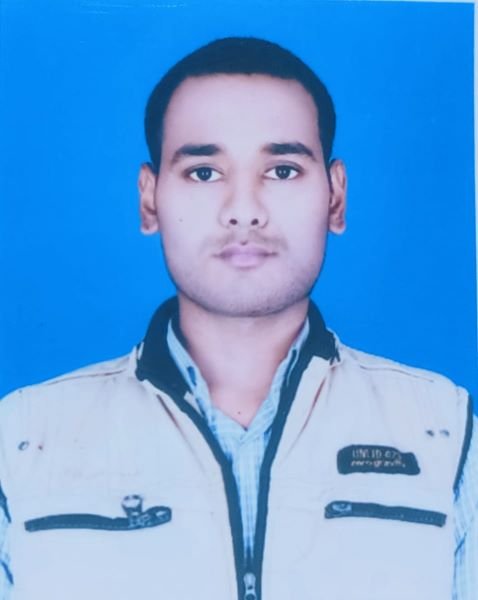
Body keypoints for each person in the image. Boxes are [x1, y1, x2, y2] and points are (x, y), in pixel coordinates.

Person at [0, 37, 475, 600]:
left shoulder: (446, 435)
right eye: (204, 172)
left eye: (282, 170)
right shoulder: (22, 441)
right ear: (149, 200)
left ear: (336, 197)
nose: (244, 210)